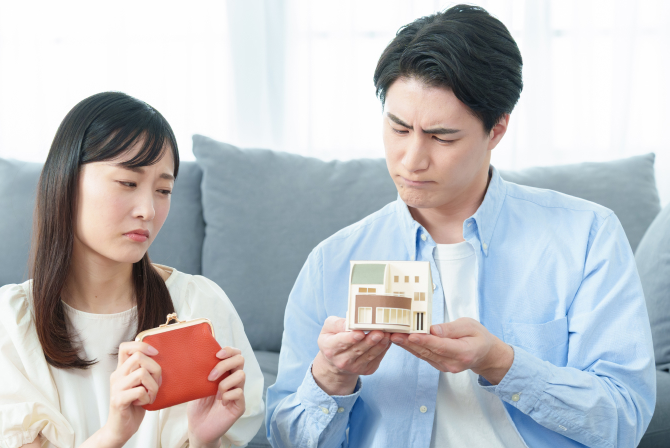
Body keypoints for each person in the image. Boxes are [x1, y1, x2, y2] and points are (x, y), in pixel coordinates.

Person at [266, 5, 655, 447]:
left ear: (497, 130)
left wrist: (501, 363)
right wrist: (331, 376)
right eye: (398, 129)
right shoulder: (332, 261)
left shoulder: (587, 236)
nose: (412, 159)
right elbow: (286, 438)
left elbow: (623, 419)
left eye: (441, 137)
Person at [0, 92, 264, 447]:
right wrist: (114, 434)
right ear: (66, 182)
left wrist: (202, 440)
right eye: (128, 183)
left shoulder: (199, 306)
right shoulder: (9, 321)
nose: (148, 210)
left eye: (163, 190)